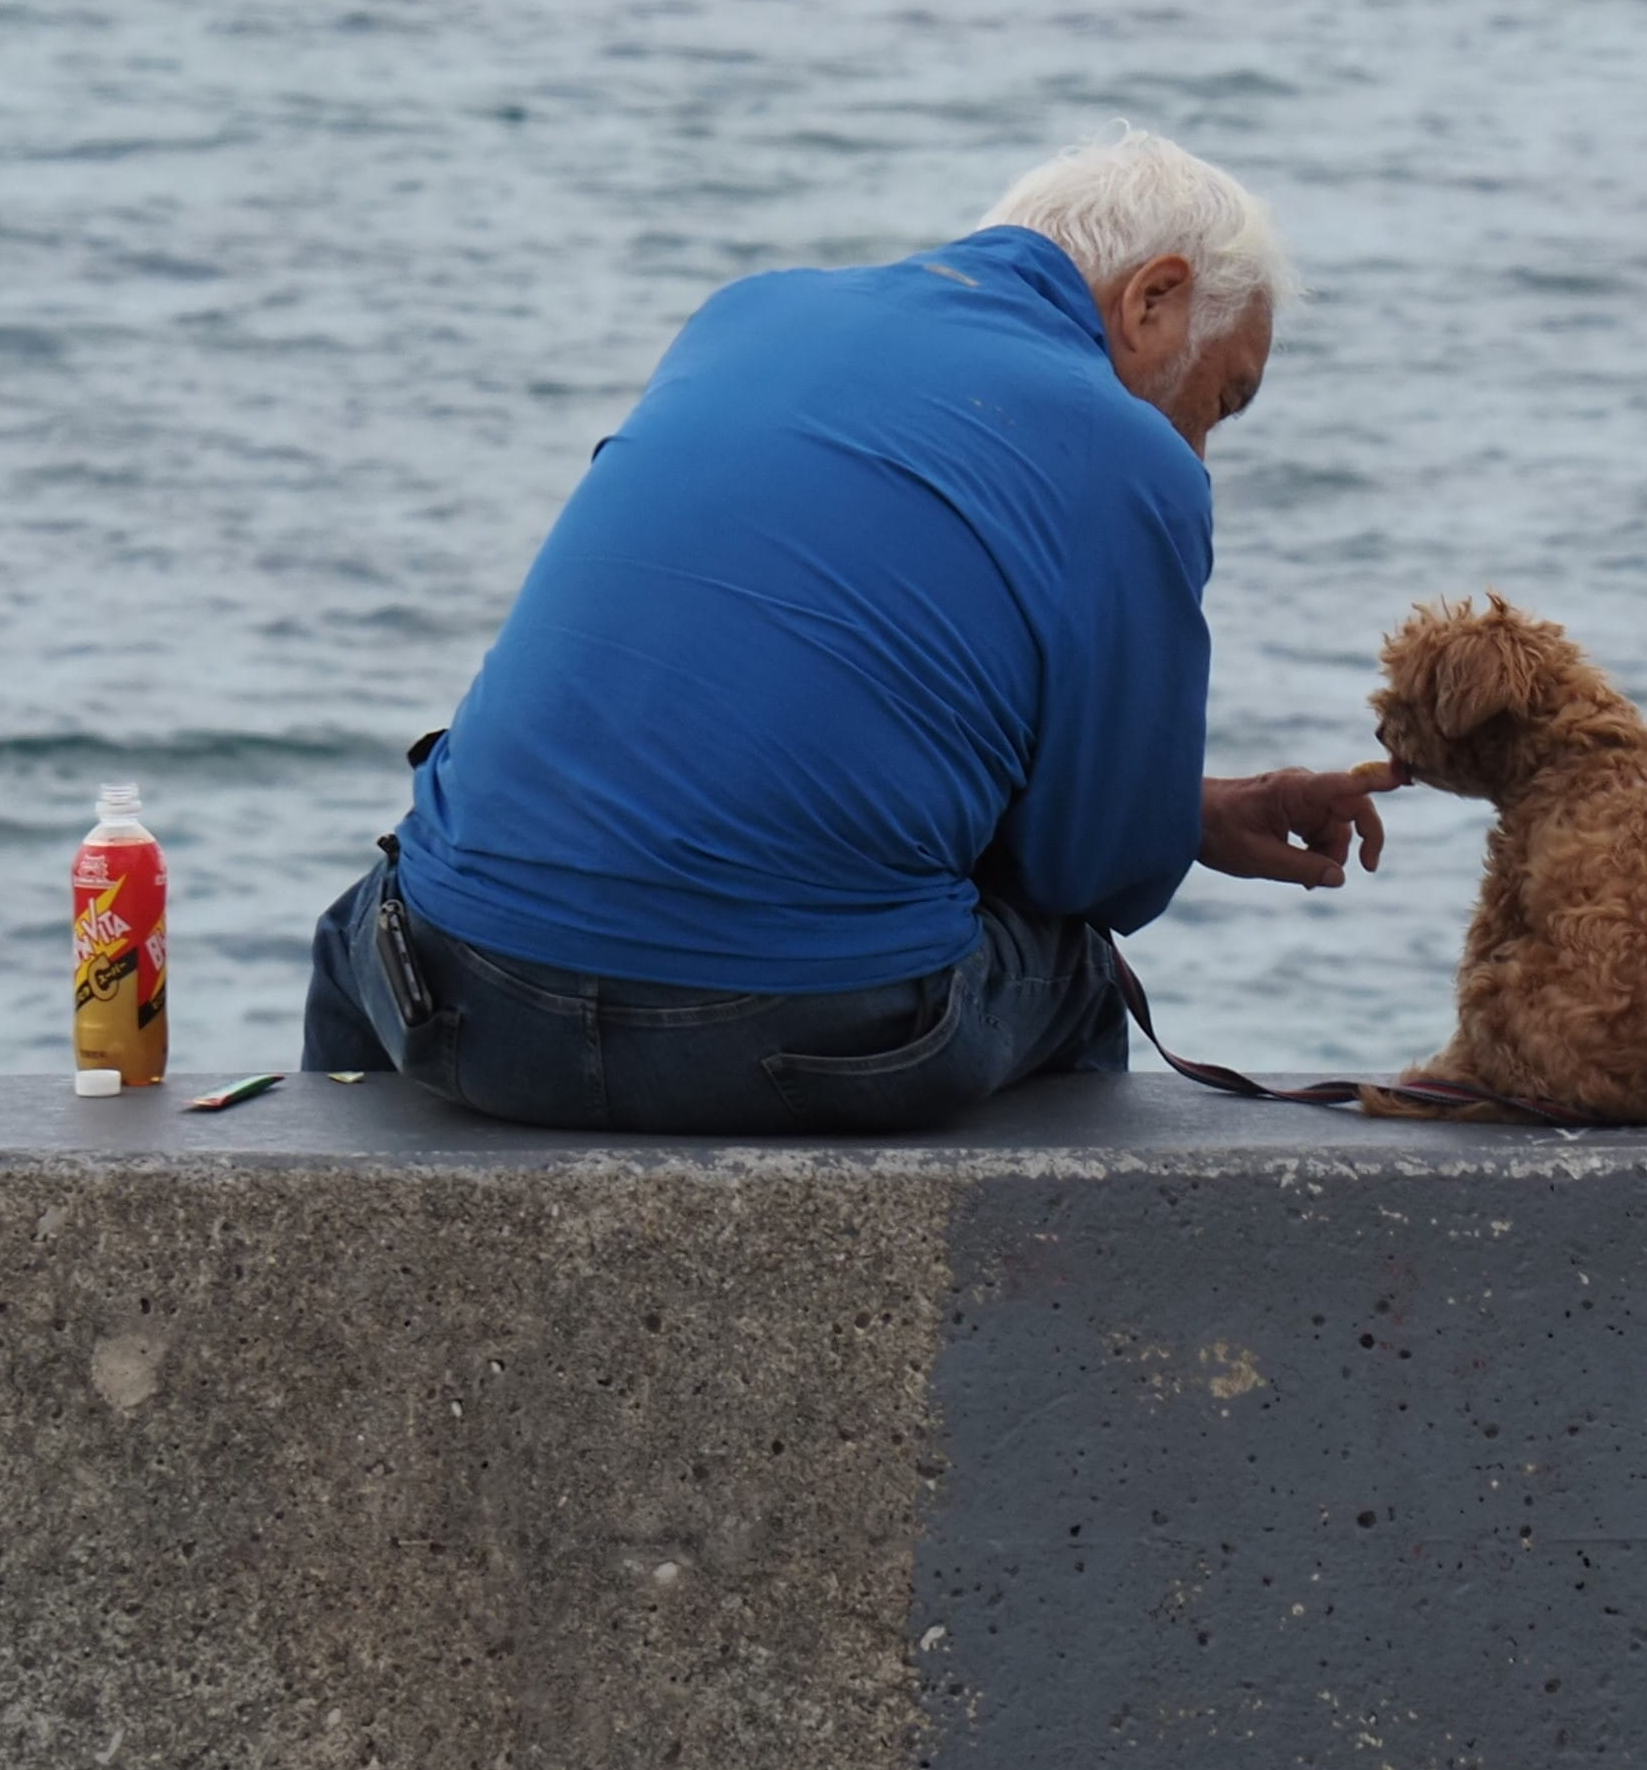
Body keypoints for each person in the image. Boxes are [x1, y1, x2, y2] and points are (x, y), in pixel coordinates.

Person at [301, 130, 1391, 1134]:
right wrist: (1145, 826)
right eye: (1222, 400)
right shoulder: (1130, 452)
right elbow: (1100, 879)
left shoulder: (748, 312)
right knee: (1067, 964)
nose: (1200, 449)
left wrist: (1184, 811)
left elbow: (771, 686)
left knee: (378, 911)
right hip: (798, 1039)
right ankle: (1045, 1332)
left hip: (458, 997)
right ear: (1155, 297)